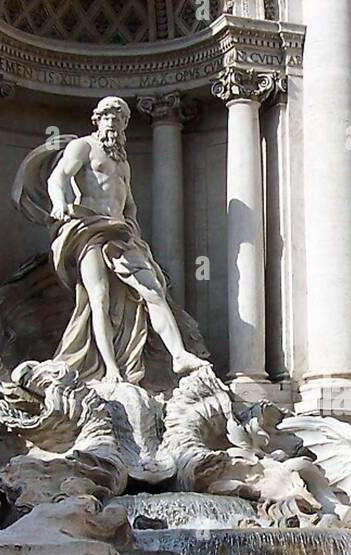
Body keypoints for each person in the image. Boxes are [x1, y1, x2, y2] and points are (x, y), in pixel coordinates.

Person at [13, 96, 208, 385]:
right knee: (99, 297)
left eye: (120, 118)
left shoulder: (122, 162)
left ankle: (178, 355)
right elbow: (59, 177)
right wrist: (59, 203)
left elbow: (128, 204)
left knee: (153, 289)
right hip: (88, 229)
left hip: (121, 234)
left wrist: (136, 234)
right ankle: (110, 369)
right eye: (108, 117)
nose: (114, 123)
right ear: (98, 119)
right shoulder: (82, 146)